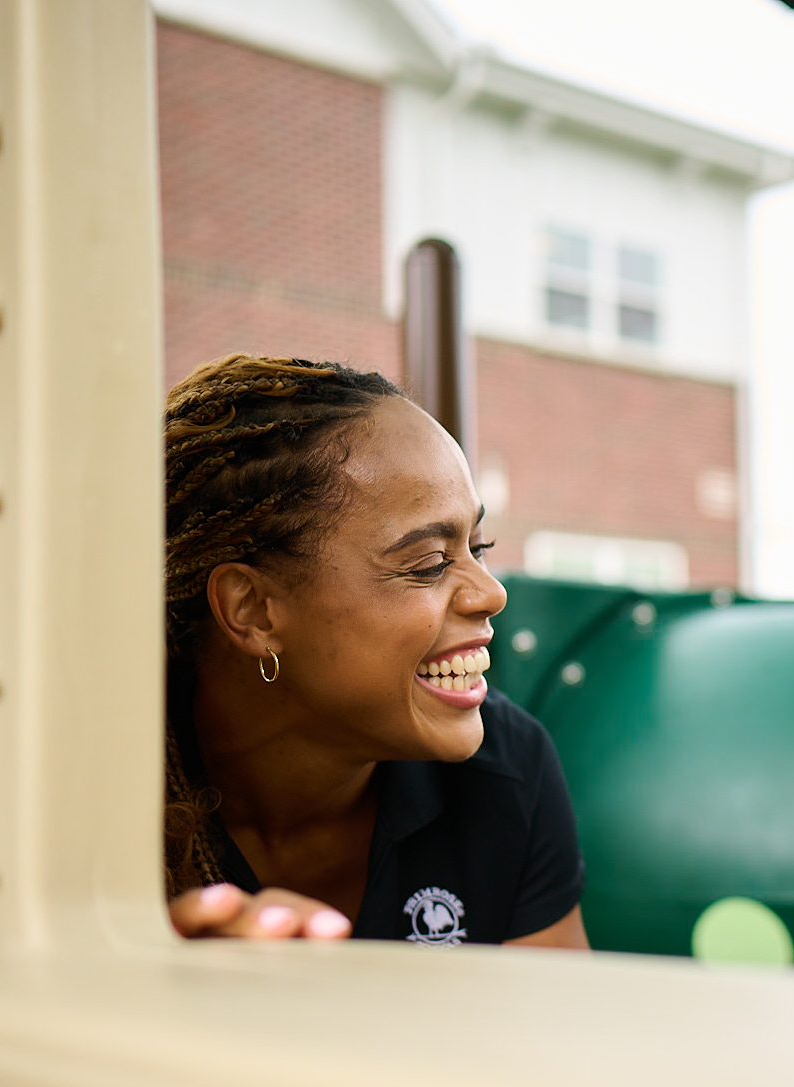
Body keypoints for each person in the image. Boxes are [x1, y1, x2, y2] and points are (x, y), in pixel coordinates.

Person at [161, 354, 587, 949]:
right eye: (429, 564)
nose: (491, 593)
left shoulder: (506, 775)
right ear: (253, 610)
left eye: (478, 546)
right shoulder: (97, 797)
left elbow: (551, 1035)